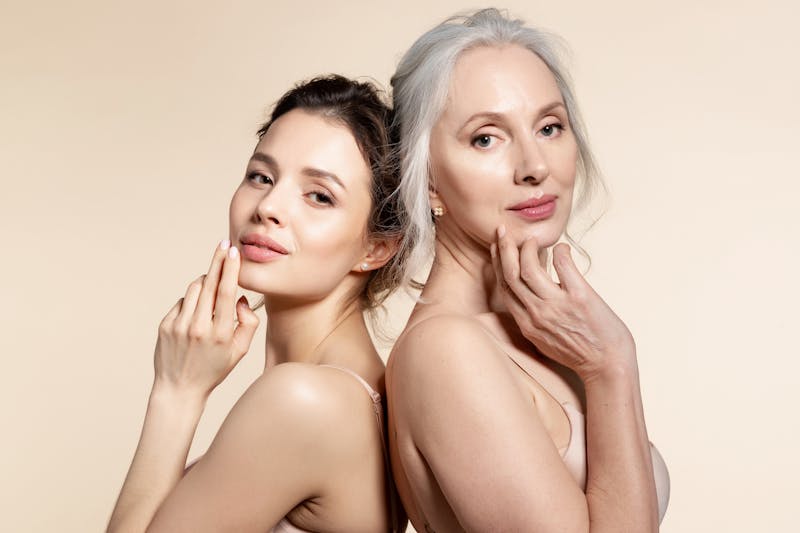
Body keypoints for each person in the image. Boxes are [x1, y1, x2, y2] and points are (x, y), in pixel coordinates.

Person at [386, 8, 670, 532]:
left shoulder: (553, 332)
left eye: (549, 126)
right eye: (486, 138)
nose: (535, 166)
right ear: (426, 178)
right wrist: (613, 367)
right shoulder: (446, 350)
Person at [107, 75, 406, 533]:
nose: (268, 205)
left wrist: (177, 391)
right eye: (261, 176)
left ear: (377, 248)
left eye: (319, 195)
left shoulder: (305, 400)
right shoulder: (358, 389)